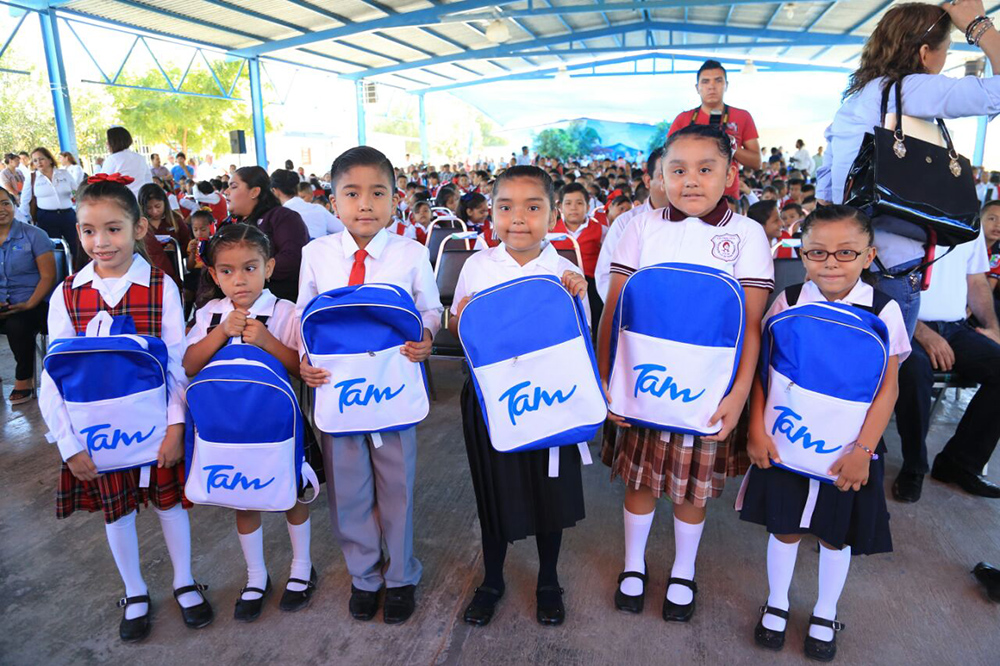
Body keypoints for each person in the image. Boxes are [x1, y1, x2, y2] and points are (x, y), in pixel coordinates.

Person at [598, 124, 772, 622]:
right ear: (660, 175)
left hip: (706, 389)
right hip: (640, 384)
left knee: (690, 490)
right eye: (678, 170)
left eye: (705, 168)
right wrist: (608, 379)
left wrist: (739, 395)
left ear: (730, 174)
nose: (690, 180)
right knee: (641, 479)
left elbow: (752, 327)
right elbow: (614, 310)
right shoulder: (640, 226)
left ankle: (683, 569)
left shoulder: (746, 235)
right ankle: (633, 565)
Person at [38, 176, 213, 642]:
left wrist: (176, 428)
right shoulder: (67, 294)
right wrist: (68, 444)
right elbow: (52, 377)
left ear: (139, 228)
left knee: (170, 504)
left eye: (113, 229)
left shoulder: (162, 287)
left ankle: (183, 581)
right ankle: (135, 591)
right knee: (117, 512)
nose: (100, 242)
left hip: (155, 424)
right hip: (96, 432)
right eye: (88, 230)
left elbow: (176, 364)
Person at [739, 205, 909, 661]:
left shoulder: (883, 308)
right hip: (787, 440)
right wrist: (755, 428)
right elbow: (763, 371)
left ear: (868, 255)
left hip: (847, 448)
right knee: (785, 527)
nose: (831, 262)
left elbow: (887, 388)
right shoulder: (788, 300)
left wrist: (864, 450)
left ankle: (825, 609)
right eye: (817, 252)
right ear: (802, 253)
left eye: (846, 252)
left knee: (836, 535)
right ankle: (777, 601)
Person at [297, 146, 442, 626]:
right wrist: (302, 358)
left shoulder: (410, 252)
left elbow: (430, 309)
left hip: (392, 389)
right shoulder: (316, 254)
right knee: (349, 490)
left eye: (377, 193)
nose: (365, 204)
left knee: (396, 486)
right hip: (338, 391)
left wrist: (426, 336)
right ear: (332, 201)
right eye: (352, 193)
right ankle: (364, 576)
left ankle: (400, 576)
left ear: (395, 199)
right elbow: (304, 315)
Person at [448, 166, 589, 628]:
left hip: (552, 401)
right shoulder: (478, 265)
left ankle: (548, 579)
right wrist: (462, 317)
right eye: (505, 207)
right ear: (491, 213)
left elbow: (579, 341)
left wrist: (577, 296)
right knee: (495, 490)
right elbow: (458, 329)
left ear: (553, 214)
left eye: (533, 207)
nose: (518, 218)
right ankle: (492, 579)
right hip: (493, 400)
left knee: (551, 492)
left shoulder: (565, 271)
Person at [817, 0, 1000, 337]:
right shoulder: (914, 87)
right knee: (888, 370)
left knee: (854, 362)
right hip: (894, 263)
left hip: (848, 257)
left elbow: (826, 188)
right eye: (946, 51)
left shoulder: (856, 99)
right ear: (925, 53)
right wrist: (978, 27)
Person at [183, 223, 317, 620]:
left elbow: (299, 368)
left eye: (249, 268)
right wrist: (221, 334)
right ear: (213, 274)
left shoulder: (285, 311)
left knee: (292, 495)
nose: (238, 280)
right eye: (226, 271)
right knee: (243, 498)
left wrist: (267, 342)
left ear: (269, 267)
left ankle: (301, 568)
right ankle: (256, 575)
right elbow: (189, 365)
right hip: (229, 429)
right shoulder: (209, 313)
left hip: (279, 427)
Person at [892, 223, 1000, 503]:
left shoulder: (967, 219)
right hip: (904, 323)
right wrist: (921, 330)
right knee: (914, 371)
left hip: (955, 327)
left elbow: (976, 281)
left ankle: (959, 463)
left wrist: (993, 328)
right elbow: (876, 281)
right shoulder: (893, 213)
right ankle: (914, 465)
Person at [667, 59, 762, 201]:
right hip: (691, 196)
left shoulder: (742, 116)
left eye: (718, 81)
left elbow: (756, 162)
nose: (711, 86)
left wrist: (731, 146)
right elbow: (667, 159)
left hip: (728, 198)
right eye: (705, 82)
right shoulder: (683, 119)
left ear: (726, 85)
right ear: (697, 87)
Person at [0, 187, 56, 404]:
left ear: (14, 205)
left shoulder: (34, 235)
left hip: (35, 303)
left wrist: (28, 304)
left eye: (5, 203)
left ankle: (24, 379)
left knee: (17, 324)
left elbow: (48, 277)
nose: (2, 209)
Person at [226, 166, 309, 302]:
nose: (226, 192)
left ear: (254, 192)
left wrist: (251, 271)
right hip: (233, 304)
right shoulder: (229, 224)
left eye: (233, 186)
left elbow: (292, 258)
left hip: (276, 303)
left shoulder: (283, 217)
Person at [595, 146, 667, 301]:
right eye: (665, 176)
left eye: (680, 174)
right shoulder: (626, 222)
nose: (674, 183)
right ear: (648, 181)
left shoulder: (696, 222)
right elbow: (605, 276)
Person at [551, 182, 605, 329]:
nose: (573, 208)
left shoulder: (601, 230)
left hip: (592, 283)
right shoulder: (550, 231)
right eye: (568, 203)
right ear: (560, 207)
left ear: (588, 207)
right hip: (561, 284)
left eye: (579, 203)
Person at [19, 147, 79, 259]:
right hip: (46, 218)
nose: (38, 163)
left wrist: (74, 195)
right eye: (35, 160)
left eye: (41, 159)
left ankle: (79, 270)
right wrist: (25, 220)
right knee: (54, 248)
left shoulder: (64, 173)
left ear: (50, 159)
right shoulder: (32, 178)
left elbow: (76, 191)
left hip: (68, 215)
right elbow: (25, 200)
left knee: (76, 245)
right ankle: (61, 273)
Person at [271, 169, 342, 240]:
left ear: (275, 190)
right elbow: (343, 229)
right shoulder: (318, 209)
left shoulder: (278, 216)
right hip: (321, 249)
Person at [99, 127, 153, 199]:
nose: (106, 143)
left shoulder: (113, 159)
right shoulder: (140, 158)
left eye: (108, 140)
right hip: (141, 201)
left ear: (114, 142)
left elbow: (100, 183)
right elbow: (148, 181)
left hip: (123, 203)